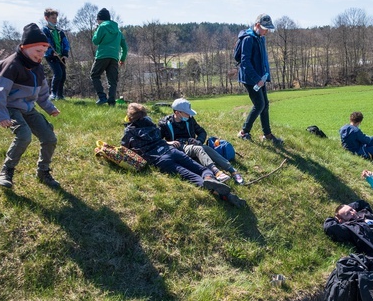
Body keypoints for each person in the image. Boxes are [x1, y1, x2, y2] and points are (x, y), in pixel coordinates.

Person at [121, 103, 246, 208]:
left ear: (130, 117)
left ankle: (223, 195)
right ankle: (210, 178)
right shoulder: (151, 124)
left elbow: (124, 148)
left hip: (161, 160)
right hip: (172, 150)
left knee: (191, 177)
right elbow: (159, 137)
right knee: (201, 169)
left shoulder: (130, 131)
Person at [0, 23, 61, 189]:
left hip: (29, 109)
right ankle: (6, 170)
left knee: (49, 138)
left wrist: (49, 108)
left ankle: (43, 172)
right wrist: (2, 115)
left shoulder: (38, 68)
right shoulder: (12, 65)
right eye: (38, 51)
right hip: (11, 108)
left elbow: (43, 93)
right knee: (24, 135)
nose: (41, 55)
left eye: (44, 52)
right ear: (24, 47)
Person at [158, 98, 244, 184]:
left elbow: (202, 132)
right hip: (178, 149)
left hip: (192, 145)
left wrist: (198, 141)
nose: (189, 115)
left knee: (205, 148)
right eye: (186, 113)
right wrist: (169, 142)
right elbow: (156, 141)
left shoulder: (190, 120)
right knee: (198, 149)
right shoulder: (164, 124)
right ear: (177, 112)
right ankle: (217, 172)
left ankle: (232, 171)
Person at [236, 13, 283, 146]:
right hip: (250, 78)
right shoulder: (248, 39)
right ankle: (244, 132)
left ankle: (267, 134)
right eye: (264, 28)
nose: (266, 31)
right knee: (259, 105)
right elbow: (245, 63)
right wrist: (256, 79)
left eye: (268, 28)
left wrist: (265, 75)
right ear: (257, 25)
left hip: (260, 78)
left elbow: (262, 59)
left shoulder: (260, 38)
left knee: (265, 104)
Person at [91, 8, 128, 106]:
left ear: (100, 19)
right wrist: (122, 59)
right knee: (112, 81)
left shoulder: (101, 27)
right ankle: (111, 102)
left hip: (102, 55)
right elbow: (125, 47)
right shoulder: (118, 31)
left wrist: (96, 30)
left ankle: (102, 97)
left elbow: (95, 41)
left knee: (94, 75)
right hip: (114, 57)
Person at [42, 8, 70, 101]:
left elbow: (65, 42)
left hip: (60, 55)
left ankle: (60, 95)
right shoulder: (44, 31)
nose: (55, 20)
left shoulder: (59, 31)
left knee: (63, 75)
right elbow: (45, 43)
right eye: (53, 18)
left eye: (56, 18)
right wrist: (51, 51)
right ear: (47, 18)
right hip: (51, 56)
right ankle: (53, 94)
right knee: (58, 73)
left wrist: (65, 52)